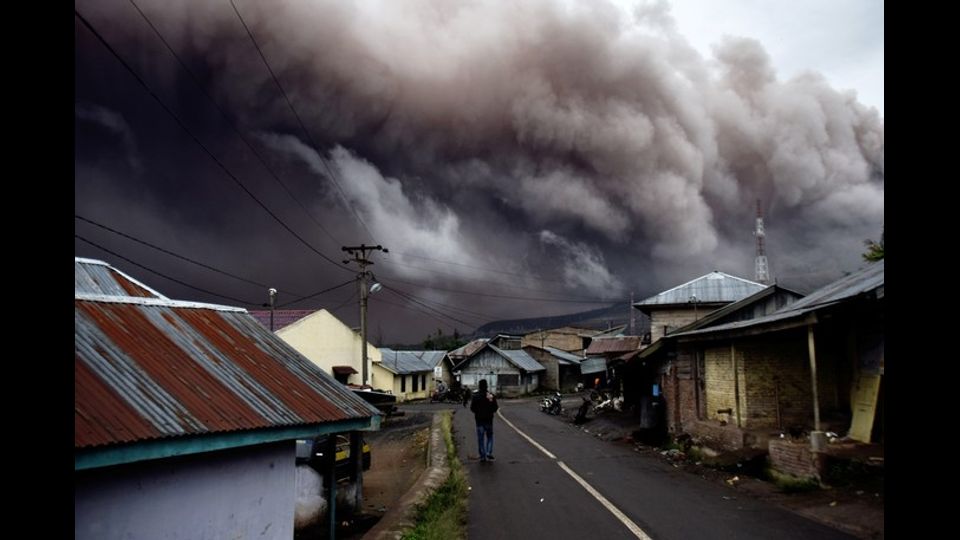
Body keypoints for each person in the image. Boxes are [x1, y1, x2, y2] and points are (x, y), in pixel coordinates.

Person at [470, 379, 498, 462]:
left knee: (480, 438)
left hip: (479, 420)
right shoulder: (491, 395)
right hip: (489, 420)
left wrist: (478, 412)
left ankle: (482, 456)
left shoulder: (475, 396)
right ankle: (489, 452)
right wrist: (490, 411)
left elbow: (472, 408)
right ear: (486, 386)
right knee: (490, 436)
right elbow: (495, 408)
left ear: (479, 386)